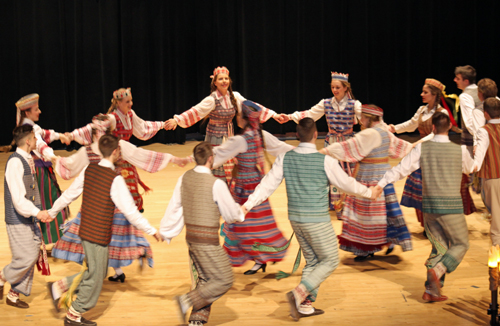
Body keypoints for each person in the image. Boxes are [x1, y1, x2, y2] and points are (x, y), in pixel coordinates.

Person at [243, 117, 381, 321]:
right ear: (316, 135)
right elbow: (347, 184)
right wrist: (369, 193)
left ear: (297, 136)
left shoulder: (285, 157)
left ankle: (305, 306)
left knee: (313, 260)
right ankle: (299, 293)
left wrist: (247, 205)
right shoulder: (325, 160)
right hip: (316, 219)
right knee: (331, 259)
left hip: (296, 219)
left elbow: (267, 185)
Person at [52, 114, 188, 282]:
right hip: (107, 206)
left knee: (109, 239)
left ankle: (108, 270)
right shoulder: (109, 148)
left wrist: (53, 158)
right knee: (111, 240)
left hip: (100, 207)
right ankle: (101, 272)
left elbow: (142, 155)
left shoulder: (97, 150)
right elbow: (143, 156)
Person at [46, 134, 161, 326]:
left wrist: (52, 211)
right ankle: (74, 314)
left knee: (94, 271)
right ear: (116, 152)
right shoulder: (115, 179)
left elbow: (69, 195)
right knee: (96, 277)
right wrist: (152, 230)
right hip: (98, 235)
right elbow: (131, 213)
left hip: (85, 232)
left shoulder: (88, 170)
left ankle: (62, 290)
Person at [378, 112, 471, 302]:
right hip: (450, 207)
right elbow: (471, 168)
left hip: (429, 206)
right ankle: (438, 271)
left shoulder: (423, 149)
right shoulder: (459, 150)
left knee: (440, 247)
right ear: (449, 128)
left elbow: (401, 169)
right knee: (461, 243)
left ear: (433, 128)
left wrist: (381, 184)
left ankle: (431, 291)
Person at [160, 142, 245, 326]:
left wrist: (166, 232)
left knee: (206, 279)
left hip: (191, 239)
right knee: (225, 279)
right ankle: (186, 301)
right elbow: (231, 214)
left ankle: (196, 320)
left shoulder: (184, 178)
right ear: (210, 159)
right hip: (208, 241)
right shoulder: (216, 184)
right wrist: (241, 211)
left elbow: (175, 207)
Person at [211, 101, 294, 274]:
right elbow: (281, 147)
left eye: (239, 115)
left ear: (244, 119)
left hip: (245, 186)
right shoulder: (259, 134)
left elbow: (219, 153)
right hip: (255, 182)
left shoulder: (242, 139)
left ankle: (255, 259)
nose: (237, 118)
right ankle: (258, 259)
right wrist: (302, 152)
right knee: (256, 225)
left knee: (246, 226)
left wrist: (196, 160)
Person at [322, 105, 413, 260]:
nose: (360, 120)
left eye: (363, 117)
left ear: (370, 118)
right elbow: (402, 147)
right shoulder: (384, 132)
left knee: (366, 214)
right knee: (386, 211)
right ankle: (387, 241)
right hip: (384, 176)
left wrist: (324, 152)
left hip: (370, 177)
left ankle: (367, 248)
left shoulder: (370, 133)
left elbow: (348, 147)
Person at [164, 66, 282, 183]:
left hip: (228, 134)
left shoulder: (234, 96)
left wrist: (273, 115)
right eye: (220, 79)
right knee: (215, 162)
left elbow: (251, 105)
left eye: (226, 78)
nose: (224, 81)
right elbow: (195, 111)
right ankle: (213, 189)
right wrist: (177, 120)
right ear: (215, 82)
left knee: (229, 163)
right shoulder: (212, 99)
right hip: (215, 136)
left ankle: (226, 190)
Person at [66, 88, 168, 211]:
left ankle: (128, 218)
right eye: (127, 102)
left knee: (130, 188)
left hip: (126, 157)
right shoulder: (112, 118)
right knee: (116, 191)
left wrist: (163, 124)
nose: (131, 104)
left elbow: (143, 127)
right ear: (118, 103)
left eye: (131, 101)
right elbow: (93, 127)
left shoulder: (130, 114)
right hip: (114, 159)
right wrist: (71, 136)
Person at [387, 78, 470, 228]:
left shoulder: (441, 112)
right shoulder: (422, 110)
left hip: (436, 154)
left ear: (434, 95)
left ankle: (438, 223)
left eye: (425, 92)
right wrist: (395, 128)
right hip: (423, 154)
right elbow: (411, 125)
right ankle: (427, 224)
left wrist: (418, 143)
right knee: (421, 191)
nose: (422, 94)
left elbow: (437, 133)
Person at [279, 71, 362, 213]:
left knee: (347, 174)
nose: (335, 90)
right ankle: (335, 204)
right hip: (331, 143)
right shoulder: (326, 103)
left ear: (345, 88)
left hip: (348, 144)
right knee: (331, 173)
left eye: (338, 87)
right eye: (333, 87)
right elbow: (310, 114)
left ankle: (348, 205)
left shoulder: (354, 105)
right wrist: (290, 117)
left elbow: (366, 119)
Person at [0, 125, 51, 308]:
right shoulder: (15, 162)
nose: (37, 141)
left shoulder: (27, 158)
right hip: (17, 218)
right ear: (28, 140)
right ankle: (2, 277)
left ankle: (13, 295)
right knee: (27, 256)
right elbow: (18, 200)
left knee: (32, 252)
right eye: (35, 138)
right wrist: (38, 212)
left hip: (28, 217)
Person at [14, 94, 70, 246]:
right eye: (36, 109)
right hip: (38, 172)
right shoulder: (30, 129)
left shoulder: (28, 125)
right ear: (27, 112)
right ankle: (57, 240)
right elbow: (40, 144)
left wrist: (60, 136)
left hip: (36, 170)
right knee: (52, 203)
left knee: (46, 203)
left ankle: (45, 240)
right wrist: (53, 157)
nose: (39, 112)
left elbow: (45, 133)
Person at [466, 98, 500, 245]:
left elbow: (480, 153)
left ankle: (497, 251)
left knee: (497, 217)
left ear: (486, 114)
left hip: (493, 177)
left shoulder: (484, 131)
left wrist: (472, 168)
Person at [453, 65, 479, 215]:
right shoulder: (482, 90)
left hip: (471, 141)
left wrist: (476, 141)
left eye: (458, 78)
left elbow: (470, 122)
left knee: (466, 173)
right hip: (484, 138)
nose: (455, 80)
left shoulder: (465, 96)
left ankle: (464, 206)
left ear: (466, 80)